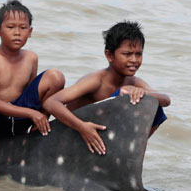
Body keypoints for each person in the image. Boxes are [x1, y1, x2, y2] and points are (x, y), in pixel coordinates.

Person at [0, 0, 65, 179]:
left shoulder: (31, 58)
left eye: (23, 28)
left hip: (17, 119)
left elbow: (33, 95)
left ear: (30, 32)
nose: (17, 33)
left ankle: (36, 132)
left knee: (55, 76)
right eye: (10, 27)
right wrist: (32, 114)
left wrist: (39, 114)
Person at [43, 21, 170, 155]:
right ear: (109, 55)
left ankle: (131, 151)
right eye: (127, 54)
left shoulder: (134, 82)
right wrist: (82, 127)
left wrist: (143, 93)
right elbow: (51, 102)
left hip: (102, 137)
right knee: (122, 95)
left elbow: (166, 100)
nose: (134, 60)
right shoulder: (96, 80)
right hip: (76, 135)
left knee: (154, 106)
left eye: (138, 54)